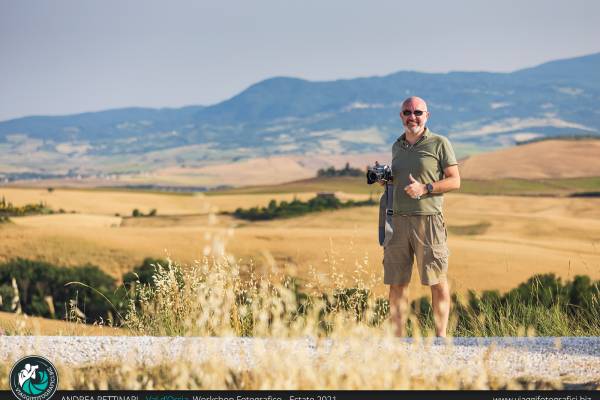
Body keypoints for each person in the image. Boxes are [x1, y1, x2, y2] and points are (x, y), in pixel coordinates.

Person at [381, 96, 460, 337]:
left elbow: (455, 180)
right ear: (400, 116)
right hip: (397, 221)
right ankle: (398, 338)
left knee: (437, 281)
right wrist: (385, 179)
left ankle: (440, 338)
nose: (412, 117)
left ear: (427, 116)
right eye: (407, 112)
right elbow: (400, 181)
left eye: (417, 112)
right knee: (396, 283)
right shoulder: (397, 146)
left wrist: (425, 188)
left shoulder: (439, 143)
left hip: (428, 221)